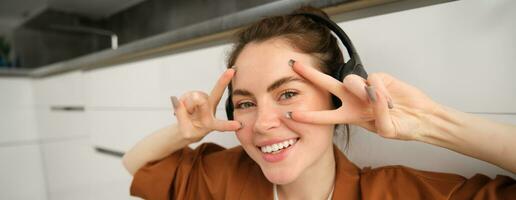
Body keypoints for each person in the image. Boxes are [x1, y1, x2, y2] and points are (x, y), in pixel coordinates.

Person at [122, 6, 516, 200]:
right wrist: (185, 132)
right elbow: (136, 167)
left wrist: (432, 121)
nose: (262, 123)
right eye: (245, 103)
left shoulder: (398, 193)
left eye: (287, 93)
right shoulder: (224, 179)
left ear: (335, 97)